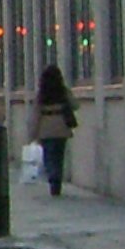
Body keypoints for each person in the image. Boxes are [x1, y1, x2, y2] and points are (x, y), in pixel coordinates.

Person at [27, 63, 78, 196]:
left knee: (49, 156)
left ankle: (52, 177)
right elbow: (75, 105)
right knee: (59, 156)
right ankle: (57, 181)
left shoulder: (41, 94)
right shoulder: (63, 91)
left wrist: (32, 133)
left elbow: (36, 115)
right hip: (61, 127)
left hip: (46, 129)